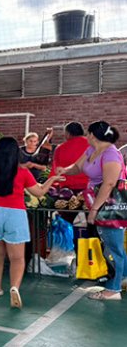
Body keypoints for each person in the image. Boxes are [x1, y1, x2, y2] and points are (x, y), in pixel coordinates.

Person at [0, 137, 63, 308]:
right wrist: (52, 179)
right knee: (17, 257)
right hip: (15, 214)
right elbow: (39, 192)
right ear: (16, 153)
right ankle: (14, 287)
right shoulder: (22, 172)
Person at [56, 121, 126, 301]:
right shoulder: (91, 150)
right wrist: (65, 170)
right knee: (112, 246)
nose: (86, 136)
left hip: (109, 206)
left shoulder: (111, 154)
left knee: (112, 248)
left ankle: (113, 289)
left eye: (88, 134)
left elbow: (110, 184)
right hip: (97, 202)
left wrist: (95, 209)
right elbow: (78, 167)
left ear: (93, 135)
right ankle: (122, 279)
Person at [51, 122, 89, 191]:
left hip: (68, 189)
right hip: (91, 187)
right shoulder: (93, 145)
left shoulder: (60, 148)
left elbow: (56, 170)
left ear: (68, 134)